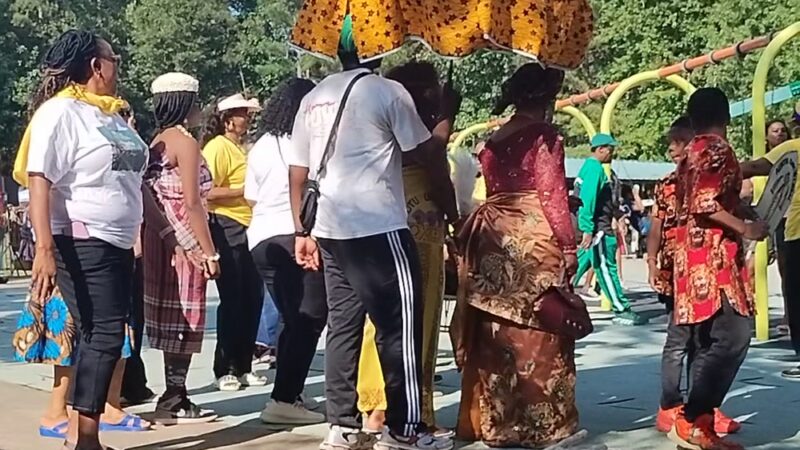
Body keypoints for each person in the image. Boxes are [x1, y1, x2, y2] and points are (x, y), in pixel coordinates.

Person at [288, 15, 458, 450]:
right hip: (379, 225)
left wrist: (301, 229)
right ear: (377, 48)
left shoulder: (313, 97)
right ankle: (406, 429)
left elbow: (298, 171)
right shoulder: (386, 92)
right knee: (400, 327)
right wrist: (446, 116)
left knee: (343, 327)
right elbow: (426, 154)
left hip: (330, 227)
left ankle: (341, 426)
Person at [19, 29, 148, 450]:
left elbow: (129, 180)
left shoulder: (109, 114)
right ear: (96, 65)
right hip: (81, 239)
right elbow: (39, 178)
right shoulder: (61, 112)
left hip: (118, 242)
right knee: (105, 334)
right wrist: (43, 248)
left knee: (101, 335)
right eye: (114, 60)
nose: (117, 68)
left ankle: (80, 433)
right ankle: (86, 438)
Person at [452, 63, 592, 449]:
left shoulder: (494, 139)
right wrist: (568, 246)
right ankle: (545, 425)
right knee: (542, 327)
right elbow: (551, 194)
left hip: (493, 235)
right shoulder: (545, 136)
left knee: (496, 330)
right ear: (546, 98)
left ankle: (500, 423)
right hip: (533, 236)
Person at [356, 61, 459, 436]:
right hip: (418, 226)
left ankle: (375, 407)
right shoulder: (413, 124)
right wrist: (446, 118)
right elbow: (432, 160)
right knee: (420, 318)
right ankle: (409, 412)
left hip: (382, 222)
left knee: (381, 318)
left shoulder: (374, 119)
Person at [667, 87, 768, 450]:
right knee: (733, 337)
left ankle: (700, 423)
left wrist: (746, 183)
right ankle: (694, 416)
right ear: (726, 117)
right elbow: (705, 202)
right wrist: (746, 228)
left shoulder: (692, 151)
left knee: (707, 339)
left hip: (689, 257)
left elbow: (706, 194)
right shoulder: (717, 148)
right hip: (713, 260)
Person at [648, 116, 740, 436]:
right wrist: (651, 262)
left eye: (680, 141)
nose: (674, 149)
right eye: (671, 143)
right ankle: (670, 404)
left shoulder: (707, 175)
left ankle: (701, 406)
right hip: (677, 268)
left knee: (704, 339)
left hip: (704, 267)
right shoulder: (667, 184)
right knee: (679, 338)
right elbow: (656, 227)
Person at [245, 77, 327, 425]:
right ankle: (284, 398)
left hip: (260, 238)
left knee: (291, 317)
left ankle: (290, 392)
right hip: (295, 235)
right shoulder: (306, 142)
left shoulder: (262, 144)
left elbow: (250, 197)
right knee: (310, 317)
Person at [142, 72, 220, 424]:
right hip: (185, 241)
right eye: (196, 101)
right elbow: (192, 202)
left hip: (160, 237)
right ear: (185, 103)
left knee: (170, 316)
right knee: (187, 316)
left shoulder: (156, 141)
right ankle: (175, 397)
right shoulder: (185, 143)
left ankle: (174, 395)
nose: (200, 108)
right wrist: (209, 251)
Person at [201, 93, 266, 392]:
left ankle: (244, 364)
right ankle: (225, 367)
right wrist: (243, 190)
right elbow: (207, 191)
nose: (247, 119)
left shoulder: (241, 148)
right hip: (227, 225)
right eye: (242, 114)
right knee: (232, 299)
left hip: (249, 225)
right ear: (228, 120)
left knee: (252, 298)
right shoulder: (217, 147)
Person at [741, 123, 800, 378]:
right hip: (780, 223)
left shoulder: (793, 148)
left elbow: (756, 167)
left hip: (794, 230)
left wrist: (720, 167)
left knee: (796, 293)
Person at [573, 134, 647, 325]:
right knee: (606, 268)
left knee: (574, 266)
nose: (612, 154)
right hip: (599, 229)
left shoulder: (587, 168)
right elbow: (588, 199)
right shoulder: (594, 169)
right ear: (601, 149)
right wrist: (588, 228)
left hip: (595, 227)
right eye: (610, 150)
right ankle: (621, 309)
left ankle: (555, 298)